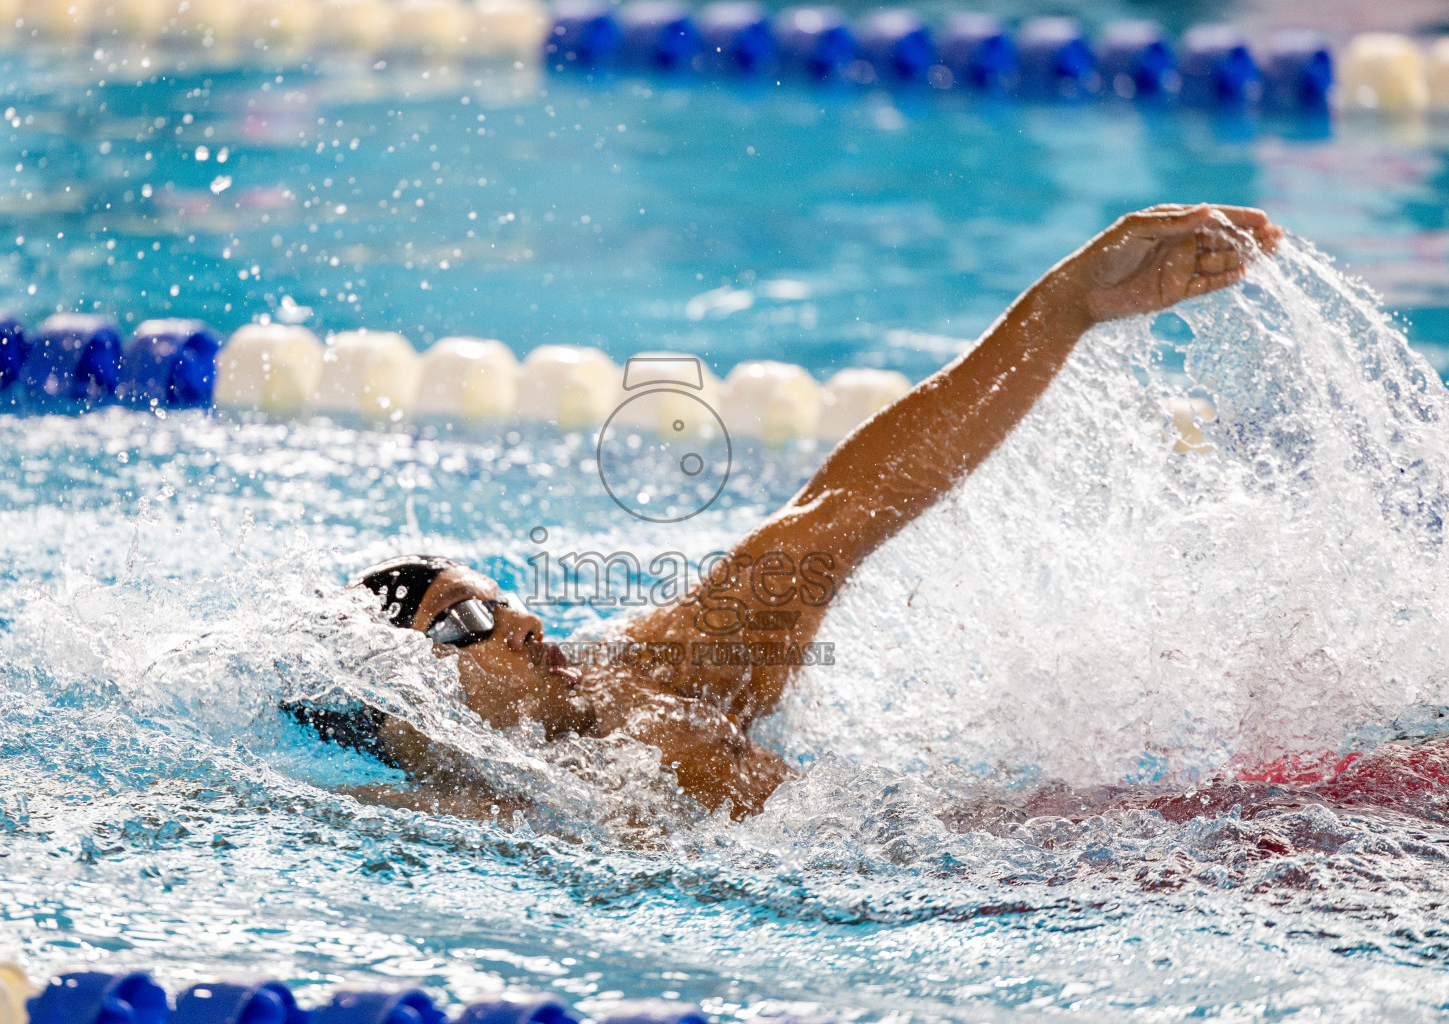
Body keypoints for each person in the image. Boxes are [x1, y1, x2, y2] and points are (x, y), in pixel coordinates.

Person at [288, 203, 1283, 820]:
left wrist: (1066, 304)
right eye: (467, 625)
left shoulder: (648, 675)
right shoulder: (462, 815)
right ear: (408, 706)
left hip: (1036, 858)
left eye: (499, 598)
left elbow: (848, 508)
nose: (523, 622)